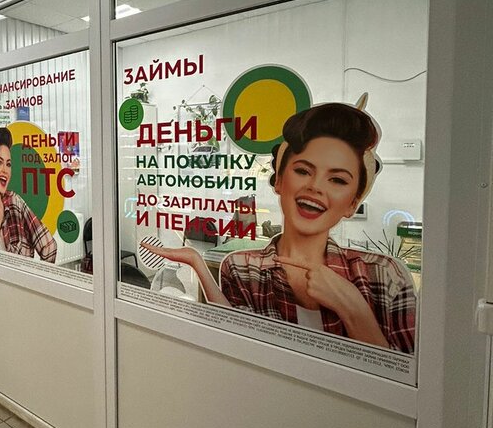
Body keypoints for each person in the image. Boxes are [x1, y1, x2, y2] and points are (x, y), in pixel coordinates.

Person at [145, 97, 416, 353]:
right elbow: (239, 346)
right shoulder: (241, 268)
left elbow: (411, 380)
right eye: (303, 170)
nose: (315, 187)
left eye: (337, 180)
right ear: (279, 181)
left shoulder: (385, 277)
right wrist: (198, 263)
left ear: (352, 203)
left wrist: (354, 309)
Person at [0, 126, 57, 262]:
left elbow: (50, 247)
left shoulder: (15, 202)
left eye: (8, 164)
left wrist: (34, 274)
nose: (5, 170)